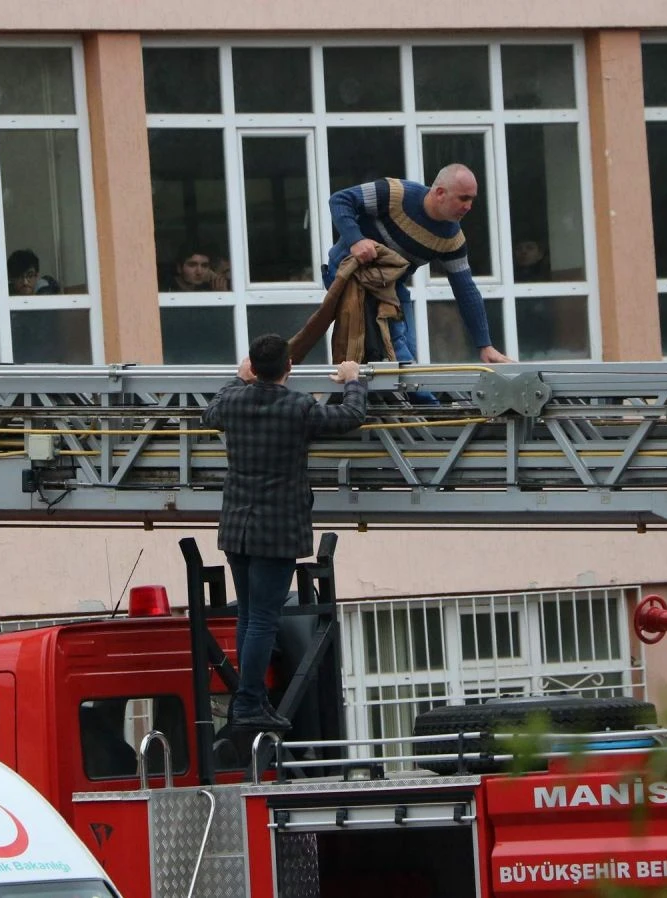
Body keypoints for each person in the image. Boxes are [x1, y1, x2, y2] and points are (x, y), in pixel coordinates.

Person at [200, 334, 368, 731]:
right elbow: (350, 417)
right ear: (289, 367)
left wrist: (237, 380)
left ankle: (250, 697)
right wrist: (353, 380)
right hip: (276, 531)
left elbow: (209, 413)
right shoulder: (298, 407)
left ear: (253, 368)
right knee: (262, 619)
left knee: (248, 615)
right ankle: (248, 702)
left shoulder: (234, 401)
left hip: (237, 526)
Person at [324, 164, 510, 364]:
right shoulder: (395, 194)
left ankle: (410, 391)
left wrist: (485, 345)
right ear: (440, 193)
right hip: (348, 275)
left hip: (391, 287)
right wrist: (356, 240)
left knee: (408, 354)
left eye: (472, 199)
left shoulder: (452, 239)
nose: (469, 206)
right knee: (396, 354)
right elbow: (340, 200)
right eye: (463, 198)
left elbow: (466, 290)